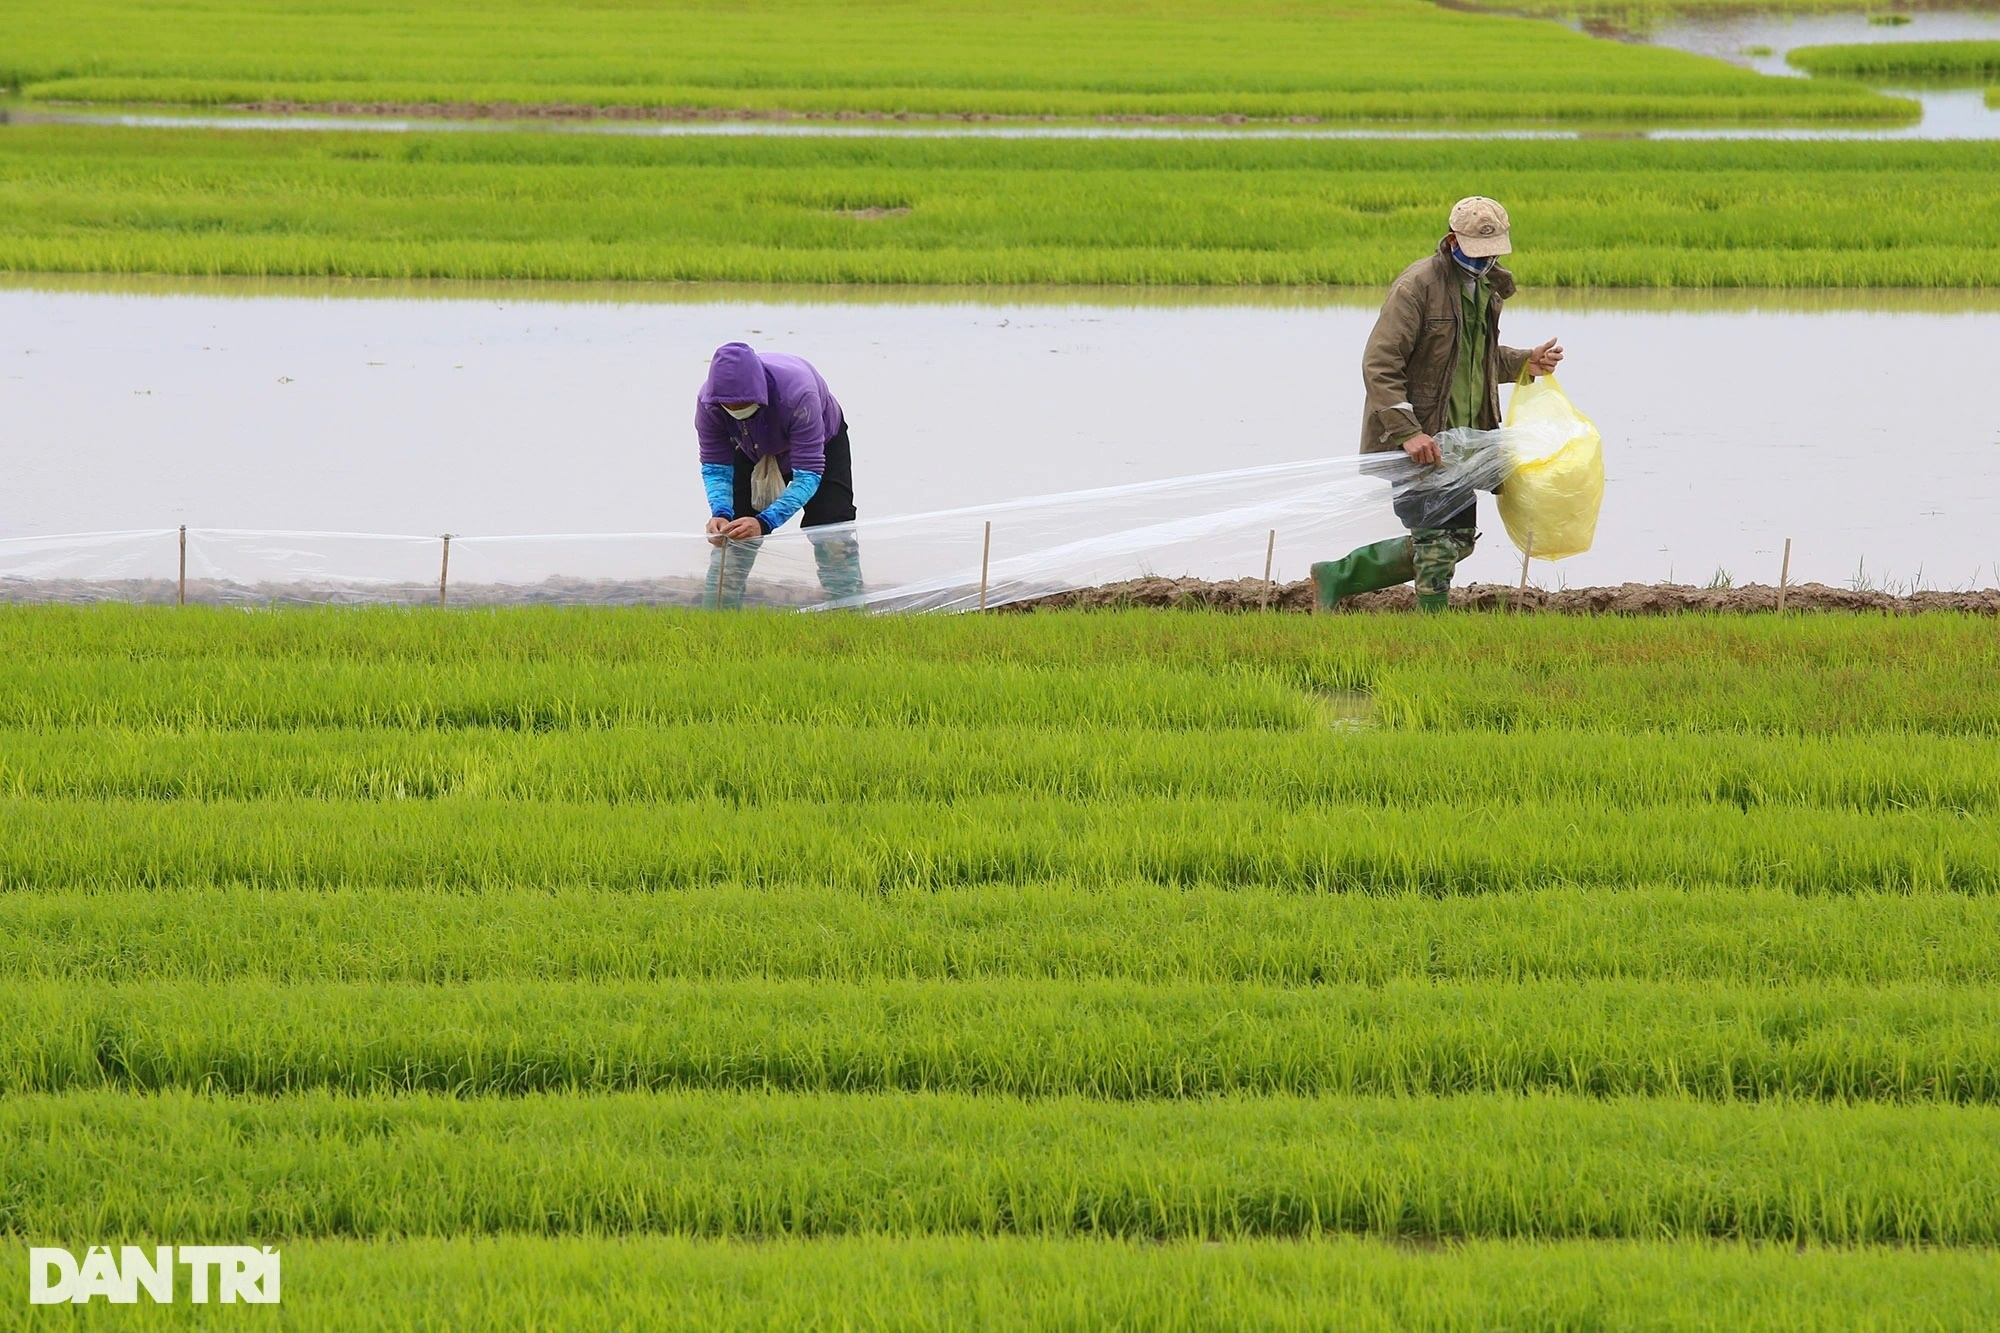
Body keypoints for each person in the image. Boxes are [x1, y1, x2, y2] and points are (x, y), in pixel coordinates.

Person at [1312, 196, 1564, 612]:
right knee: (1435, 542)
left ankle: (1336, 576)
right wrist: (1408, 432)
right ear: (1452, 240)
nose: (1485, 261)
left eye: (1493, 252)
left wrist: (1524, 362)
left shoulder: (1487, 289)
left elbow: (1472, 359)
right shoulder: (1418, 287)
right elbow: (1380, 363)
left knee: (1458, 541)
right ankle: (1431, 626)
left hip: (1465, 441)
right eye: (1477, 252)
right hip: (1422, 437)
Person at [695, 342, 863, 607]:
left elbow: (808, 475)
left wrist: (764, 522)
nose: (736, 409)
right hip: (748, 446)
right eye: (729, 406)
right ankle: (717, 616)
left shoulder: (798, 394)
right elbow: (716, 466)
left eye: (744, 404)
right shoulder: (709, 404)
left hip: (820, 443)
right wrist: (720, 512)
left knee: (832, 527)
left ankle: (849, 614)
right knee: (733, 532)